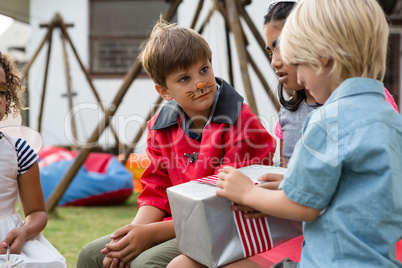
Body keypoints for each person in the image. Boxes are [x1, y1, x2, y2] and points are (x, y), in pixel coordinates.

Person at [77, 16, 276, 268]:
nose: (201, 83)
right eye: (185, 79)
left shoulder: (241, 122)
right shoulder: (161, 126)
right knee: (91, 256)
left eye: (204, 70)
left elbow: (226, 205)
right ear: (164, 91)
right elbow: (156, 191)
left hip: (229, 226)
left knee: (145, 264)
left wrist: (149, 235)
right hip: (180, 222)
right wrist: (134, 232)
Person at [216, 0, 402, 267]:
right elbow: (359, 189)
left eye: (299, 64)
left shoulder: (327, 119)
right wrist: (294, 182)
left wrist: (247, 193)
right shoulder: (391, 119)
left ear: (323, 58)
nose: (300, 80)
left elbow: (302, 207)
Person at [0, 52, 67, 267]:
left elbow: (37, 212)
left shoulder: (19, 151)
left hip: (7, 244)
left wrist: (25, 231)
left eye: (1, 91)